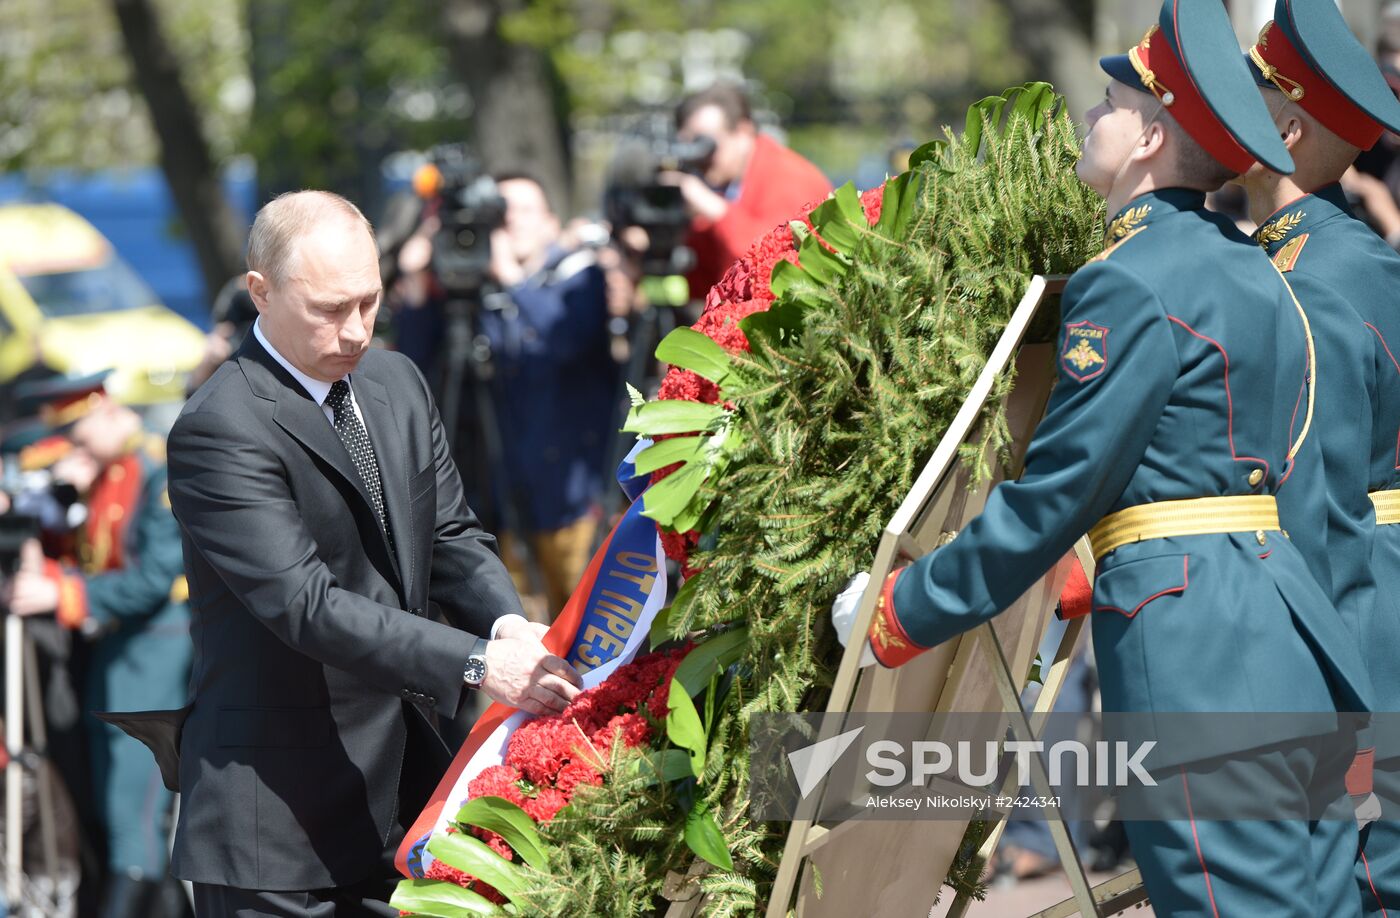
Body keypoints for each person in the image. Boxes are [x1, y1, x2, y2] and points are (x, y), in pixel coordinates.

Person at [832, 1, 1374, 913]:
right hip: (1290, 632)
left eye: (1111, 103)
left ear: (1151, 139)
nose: (1092, 118)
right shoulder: (1256, 269)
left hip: (1194, 644)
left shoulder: (1129, 279)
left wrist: (899, 609)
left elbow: (1056, 493)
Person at [110, 191, 583, 917]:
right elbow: (307, 605)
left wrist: (506, 625)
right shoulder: (221, 426)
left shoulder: (395, 381)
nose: (356, 329)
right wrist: (477, 662)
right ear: (259, 292)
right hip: (279, 828)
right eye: (329, 309)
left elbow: (452, 533)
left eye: (369, 301)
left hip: (404, 797)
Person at [1237, 4, 1400, 912]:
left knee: (1367, 882)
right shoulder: (1282, 258)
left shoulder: (1328, 276)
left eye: (1238, 97)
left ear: (1284, 129)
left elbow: (1325, 500)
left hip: (1360, 617)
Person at [3, 372, 191, 918]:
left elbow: (154, 579)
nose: (76, 452)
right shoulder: (106, 471)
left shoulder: (158, 471)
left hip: (153, 652)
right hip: (113, 656)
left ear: (111, 414)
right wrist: (63, 494)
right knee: (110, 813)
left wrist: (59, 592)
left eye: (82, 437)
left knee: (131, 814)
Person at [473, 174, 618, 620]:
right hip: (515, 502)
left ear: (552, 223)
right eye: (502, 211)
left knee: (593, 641)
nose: (510, 222)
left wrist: (515, 280)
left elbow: (566, 341)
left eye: (523, 210)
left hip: (580, 502)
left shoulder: (581, 278)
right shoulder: (488, 291)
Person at [665, 83, 833, 298]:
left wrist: (716, 209)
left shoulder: (787, 176)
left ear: (744, 132)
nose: (700, 159)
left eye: (706, 144)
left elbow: (770, 266)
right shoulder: (731, 183)